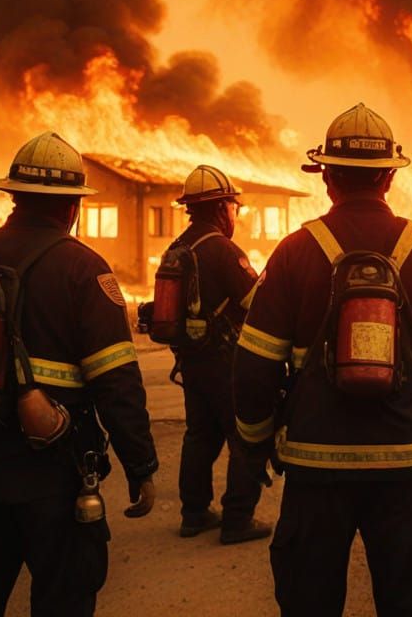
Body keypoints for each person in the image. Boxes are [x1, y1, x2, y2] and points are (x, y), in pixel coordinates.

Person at [233, 103, 412, 617]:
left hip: (316, 463)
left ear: (326, 176)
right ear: (389, 178)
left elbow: (255, 365)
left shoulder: (294, 252)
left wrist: (254, 442)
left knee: (309, 601)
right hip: (407, 463)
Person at [0, 131, 158, 617]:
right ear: (73, 206)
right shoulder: (84, 268)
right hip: (54, 474)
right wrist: (140, 465)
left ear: (14, 196)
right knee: (63, 599)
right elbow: (116, 381)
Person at [159, 165, 270, 544]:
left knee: (200, 435)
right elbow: (256, 303)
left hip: (191, 360)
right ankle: (238, 519)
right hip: (226, 361)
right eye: (234, 207)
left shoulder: (177, 248)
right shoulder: (223, 250)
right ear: (223, 208)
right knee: (245, 437)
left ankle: (194, 514)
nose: (234, 214)